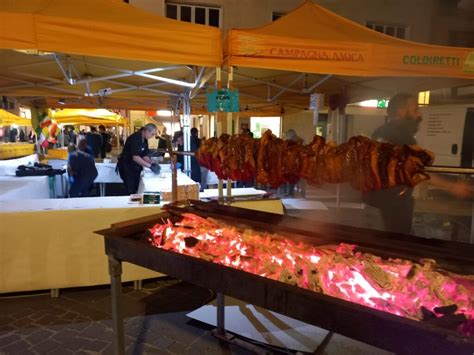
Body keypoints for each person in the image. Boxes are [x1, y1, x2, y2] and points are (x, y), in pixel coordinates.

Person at [365, 93, 473, 234]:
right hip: (388, 206)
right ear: (401, 111)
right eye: (415, 109)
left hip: (384, 203)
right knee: (391, 248)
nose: (419, 114)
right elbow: (415, 170)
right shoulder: (396, 135)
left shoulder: (383, 132)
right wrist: (452, 186)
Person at [117, 123, 159, 194]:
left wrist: (151, 162)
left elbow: (144, 155)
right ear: (146, 131)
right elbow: (135, 157)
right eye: (152, 134)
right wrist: (150, 166)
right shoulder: (135, 138)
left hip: (135, 167)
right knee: (131, 189)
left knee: (137, 188)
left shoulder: (145, 139)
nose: (152, 136)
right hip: (127, 166)